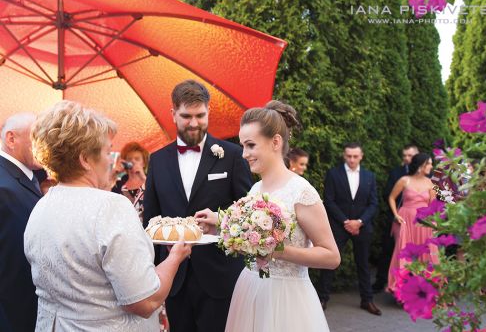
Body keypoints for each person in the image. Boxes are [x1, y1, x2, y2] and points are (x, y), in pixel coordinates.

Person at [24, 101, 191, 331]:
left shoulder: (41, 207)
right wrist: (175, 257)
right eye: (106, 150)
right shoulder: (110, 207)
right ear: (84, 159)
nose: (110, 159)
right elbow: (146, 301)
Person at [196, 100, 340, 332]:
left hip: (287, 298)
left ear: (275, 142)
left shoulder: (301, 192)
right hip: (251, 289)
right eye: (243, 146)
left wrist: (278, 251)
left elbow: (331, 257)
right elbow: (251, 240)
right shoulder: (255, 189)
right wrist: (222, 225)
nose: (244, 154)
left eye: (251, 145)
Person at [143, 80, 253, 332]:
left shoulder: (233, 154)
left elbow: (248, 211)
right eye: (186, 116)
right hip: (173, 277)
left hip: (221, 275)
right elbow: (150, 219)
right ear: (173, 114)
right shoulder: (158, 160)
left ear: (208, 111)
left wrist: (220, 218)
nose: (194, 123)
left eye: (200, 115)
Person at [317, 142, 381, 315]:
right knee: (330, 263)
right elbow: (329, 200)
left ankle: (367, 300)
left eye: (355, 156)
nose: (352, 159)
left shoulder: (370, 176)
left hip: (362, 227)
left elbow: (374, 203)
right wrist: (346, 221)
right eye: (349, 156)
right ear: (344, 156)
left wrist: (360, 222)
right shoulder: (333, 174)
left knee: (363, 265)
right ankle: (322, 299)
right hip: (339, 226)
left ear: (361, 156)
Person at [0, 113, 41, 332]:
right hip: (12, 314)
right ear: (11, 139)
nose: (43, 144)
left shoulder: (29, 176)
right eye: (36, 137)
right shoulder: (3, 185)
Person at [387, 153, 439, 292]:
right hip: (406, 221)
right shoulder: (404, 180)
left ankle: (424, 291)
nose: (431, 166)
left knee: (426, 255)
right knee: (404, 254)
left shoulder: (431, 183)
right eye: (429, 163)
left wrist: (434, 223)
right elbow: (392, 198)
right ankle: (401, 290)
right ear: (421, 165)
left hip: (424, 222)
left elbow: (433, 205)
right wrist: (396, 215)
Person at [372, 144, 419, 292]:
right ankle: (382, 281)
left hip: (420, 222)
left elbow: (441, 195)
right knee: (389, 250)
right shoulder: (397, 173)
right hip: (398, 217)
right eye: (404, 155)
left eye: (410, 155)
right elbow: (387, 194)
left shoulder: (429, 175)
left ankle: (416, 288)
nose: (406, 158)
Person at [112, 142, 149, 223]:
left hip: (148, 230)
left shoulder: (150, 180)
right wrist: (114, 172)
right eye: (129, 159)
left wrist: (143, 177)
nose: (133, 161)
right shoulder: (119, 185)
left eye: (137, 159)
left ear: (143, 163)